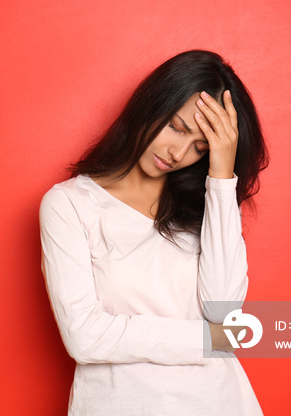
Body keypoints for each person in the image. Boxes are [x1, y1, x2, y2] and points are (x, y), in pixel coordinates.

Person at [39, 50, 268, 415]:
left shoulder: (209, 204)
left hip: (220, 402)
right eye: (177, 128)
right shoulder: (70, 205)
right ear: (152, 103)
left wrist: (222, 178)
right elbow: (85, 336)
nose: (178, 153)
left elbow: (222, 310)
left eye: (200, 147)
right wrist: (210, 340)